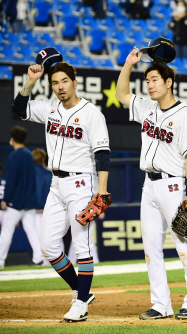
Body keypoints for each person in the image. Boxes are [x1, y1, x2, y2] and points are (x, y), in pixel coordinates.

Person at [11, 56, 111, 321]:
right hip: (56, 184)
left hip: (82, 183)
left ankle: (80, 303)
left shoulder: (92, 114)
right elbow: (18, 109)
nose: (60, 86)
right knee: (48, 247)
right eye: (55, 82)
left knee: (82, 247)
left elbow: (102, 154)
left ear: (75, 83)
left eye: (64, 81)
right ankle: (81, 290)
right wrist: (30, 81)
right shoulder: (50, 109)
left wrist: (101, 190)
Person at [115, 46, 187, 320]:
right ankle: (161, 304)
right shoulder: (147, 108)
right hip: (149, 185)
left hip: (175, 185)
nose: (150, 85)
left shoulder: (185, 115)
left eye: (155, 80)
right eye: (147, 81)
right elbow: (121, 94)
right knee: (151, 246)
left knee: (184, 244)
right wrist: (129, 63)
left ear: (169, 82)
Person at [0, 127, 42, 268]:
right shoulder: (29, 155)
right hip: (29, 201)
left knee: (7, 230)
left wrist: (5, 199)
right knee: (31, 230)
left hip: (16, 202)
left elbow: (11, 180)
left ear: (12, 139)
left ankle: (0, 260)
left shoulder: (14, 156)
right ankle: (38, 258)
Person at [32, 148, 51, 265]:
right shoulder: (49, 173)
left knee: (37, 238)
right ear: (43, 159)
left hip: (33, 211)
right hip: (49, 210)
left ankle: (40, 261)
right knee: (53, 238)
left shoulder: (28, 174)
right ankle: (58, 263)